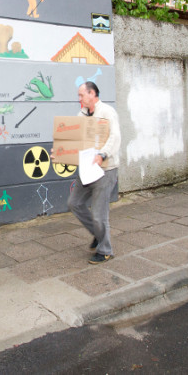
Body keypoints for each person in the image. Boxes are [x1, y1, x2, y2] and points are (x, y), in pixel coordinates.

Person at [67, 82, 121, 264]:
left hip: (105, 169)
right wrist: (62, 153)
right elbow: (76, 141)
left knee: (99, 214)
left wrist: (102, 154)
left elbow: (115, 137)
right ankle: (98, 234)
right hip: (86, 169)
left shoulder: (107, 112)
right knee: (74, 203)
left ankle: (105, 250)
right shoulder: (81, 115)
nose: (79, 99)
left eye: (81, 95)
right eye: (79, 95)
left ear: (92, 94)